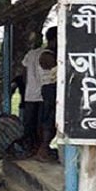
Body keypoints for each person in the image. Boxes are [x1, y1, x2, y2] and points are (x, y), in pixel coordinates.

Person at [21, 36, 49, 156]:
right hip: (44, 94)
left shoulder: (30, 54)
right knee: (42, 123)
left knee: (29, 123)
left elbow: (24, 73)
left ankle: (30, 148)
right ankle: (40, 148)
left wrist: (26, 86)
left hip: (30, 93)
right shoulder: (49, 54)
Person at [36, 26, 58, 162]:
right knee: (49, 120)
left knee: (51, 120)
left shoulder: (49, 54)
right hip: (50, 89)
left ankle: (45, 149)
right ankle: (43, 150)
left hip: (50, 88)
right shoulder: (47, 55)